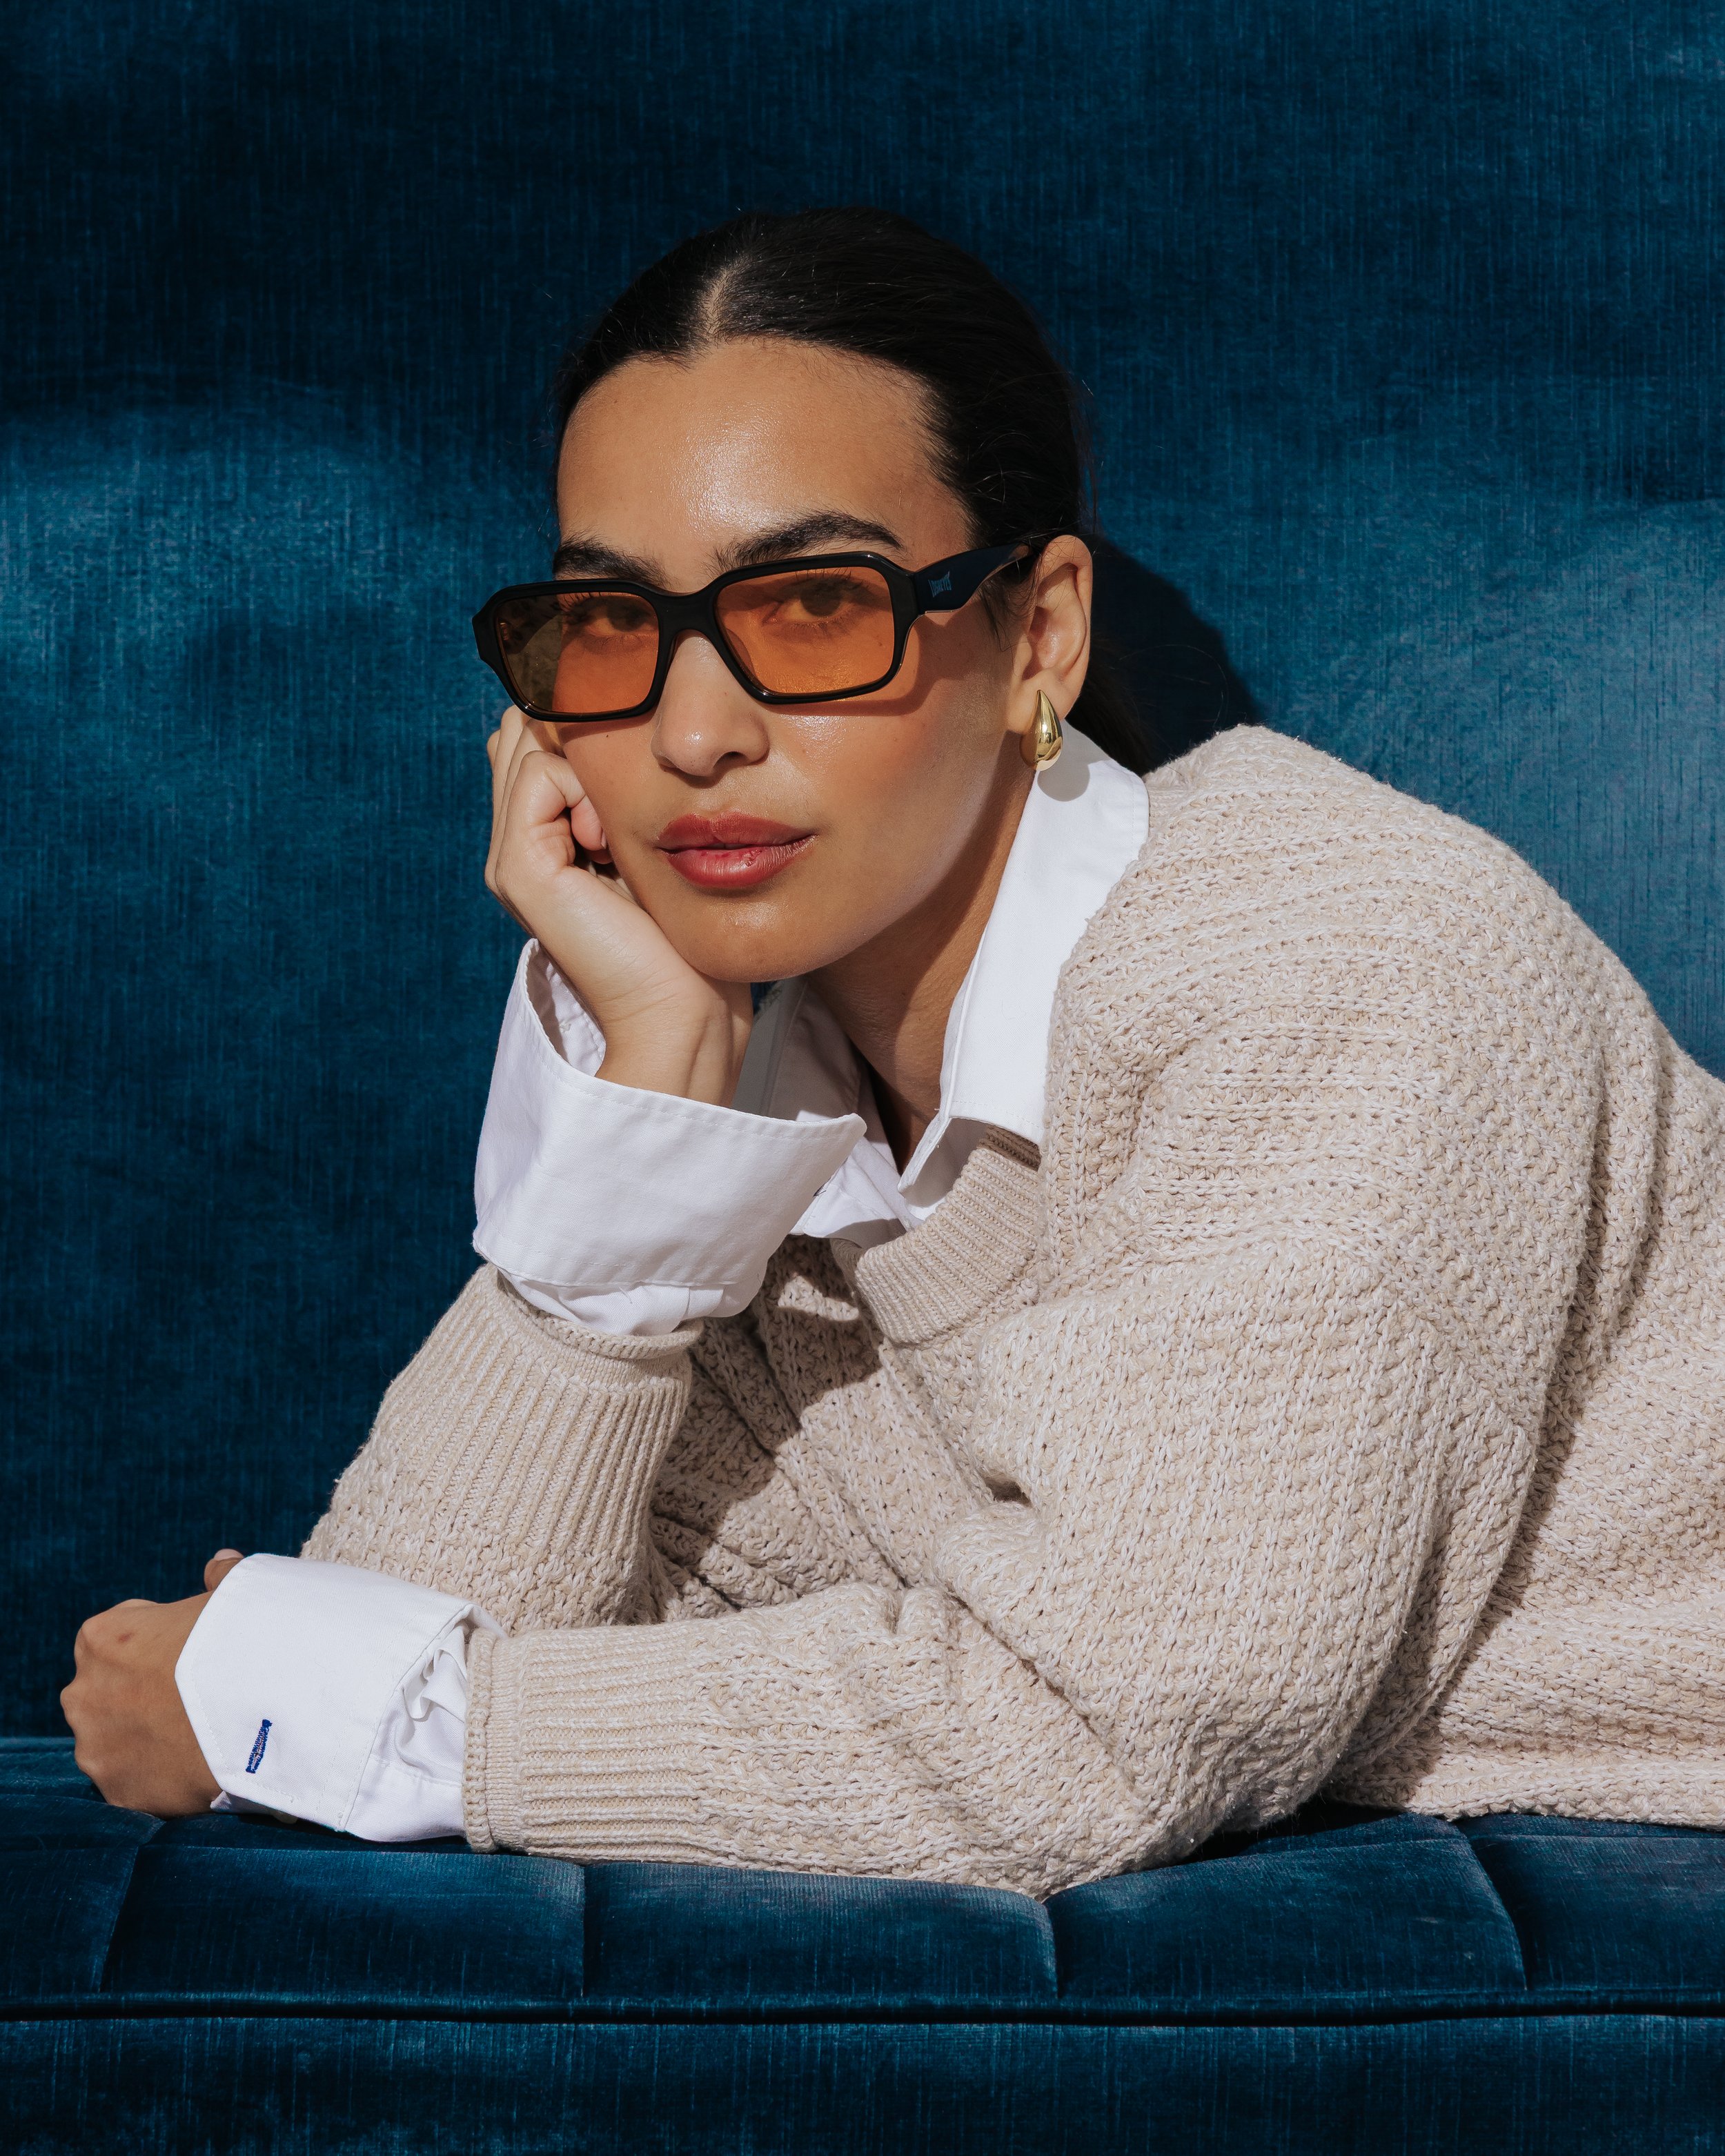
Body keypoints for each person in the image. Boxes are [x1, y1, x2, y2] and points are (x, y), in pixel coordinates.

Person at [62, 209, 1725, 1897]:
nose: (692, 732)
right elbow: (416, 1645)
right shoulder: (762, 1149)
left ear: (1037, 636)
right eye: (611, 621)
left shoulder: (1336, 958)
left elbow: (1092, 1732)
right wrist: (633, 1143)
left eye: (810, 604)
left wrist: (352, 1713)